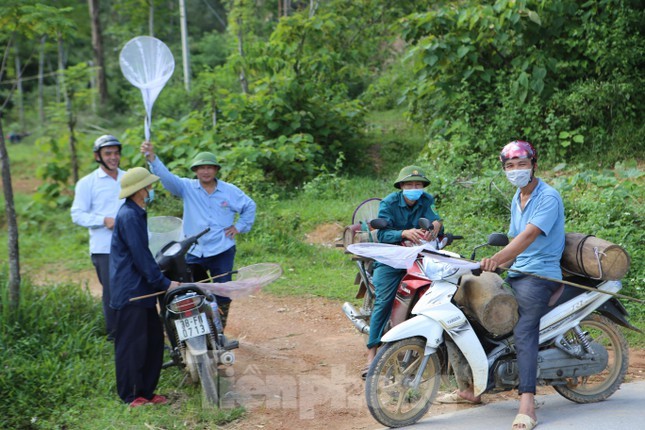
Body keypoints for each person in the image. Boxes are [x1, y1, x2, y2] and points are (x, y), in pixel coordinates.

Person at [439, 141, 565, 430]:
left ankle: (528, 405)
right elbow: (512, 241)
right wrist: (492, 264)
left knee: (523, 330)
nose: (516, 170)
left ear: (534, 164)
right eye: (510, 166)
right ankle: (469, 388)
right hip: (519, 270)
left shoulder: (548, 197)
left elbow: (527, 238)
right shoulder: (517, 198)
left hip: (541, 275)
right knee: (463, 307)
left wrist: (498, 259)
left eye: (522, 164)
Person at [141, 141, 256, 330]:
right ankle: (198, 329)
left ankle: (219, 330)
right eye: (201, 168)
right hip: (194, 250)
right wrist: (152, 158)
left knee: (223, 292)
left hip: (222, 249)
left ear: (216, 170)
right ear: (195, 170)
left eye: (209, 167)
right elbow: (167, 178)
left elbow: (249, 206)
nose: (205, 171)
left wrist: (240, 226)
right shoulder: (187, 187)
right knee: (192, 291)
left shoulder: (229, 191)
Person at [109, 166, 180, 407]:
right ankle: (131, 396)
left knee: (152, 342)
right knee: (132, 346)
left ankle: (147, 392)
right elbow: (140, 256)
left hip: (143, 291)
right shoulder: (129, 215)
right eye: (148, 186)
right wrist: (165, 283)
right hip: (131, 293)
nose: (151, 189)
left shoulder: (138, 211)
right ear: (139, 190)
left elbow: (145, 254)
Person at [363, 165, 443, 378]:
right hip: (391, 257)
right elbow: (382, 234)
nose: (414, 188)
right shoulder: (389, 203)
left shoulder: (425, 200)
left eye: (418, 184)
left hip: (418, 255)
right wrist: (404, 233)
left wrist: (436, 225)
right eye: (409, 184)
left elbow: (434, 219)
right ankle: (372, 353)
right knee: (384, 299)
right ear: (401, 186)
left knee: (439, 290)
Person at [71, 135, 125, 340]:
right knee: (112, 292)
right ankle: (116, 334)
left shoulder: (128, 178)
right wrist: (103, 220)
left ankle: (137, 332)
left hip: (131, 244)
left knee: (135, 289)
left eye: (116, 153)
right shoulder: (87, 183)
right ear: (98, 156)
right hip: (105, 247)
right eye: (108, 153)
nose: (113, 157)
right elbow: (77, 214)